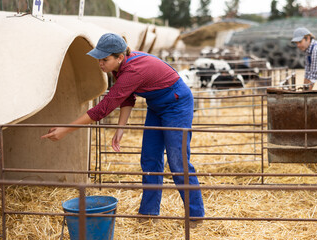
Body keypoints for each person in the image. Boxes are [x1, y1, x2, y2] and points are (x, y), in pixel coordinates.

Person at [41, 33, 205, 220]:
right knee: (150, 158)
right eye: (99, 59)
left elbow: (103, 109)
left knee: (177, 162)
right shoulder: (119, 66)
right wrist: (121, 128)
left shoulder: (132, 71)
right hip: (157, 106)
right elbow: (128, 96)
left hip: (177, 103)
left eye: (105, 59)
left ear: (119, 57)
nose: (100, 63)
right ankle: (149, 212)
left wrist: (64, 130)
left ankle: (195, 214)